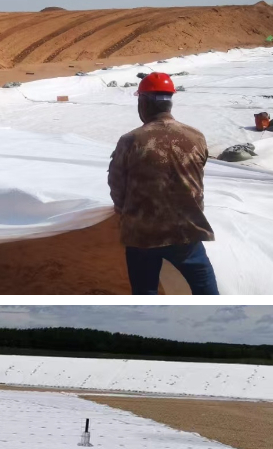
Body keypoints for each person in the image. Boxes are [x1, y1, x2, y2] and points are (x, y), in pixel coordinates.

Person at [108, 72, 219, 295]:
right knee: (206, 290)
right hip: (186, 231)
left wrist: (125, 210)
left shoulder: (131, 140)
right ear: (169, 102)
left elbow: (117, 185)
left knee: (145, 291)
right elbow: (197, 175)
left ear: (143, 102)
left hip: (142, 234)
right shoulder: (196, 136)